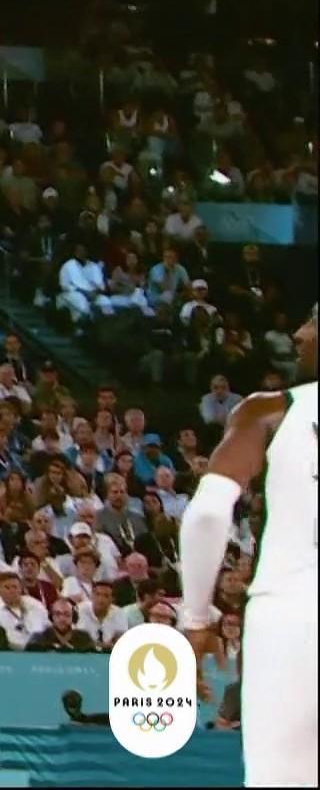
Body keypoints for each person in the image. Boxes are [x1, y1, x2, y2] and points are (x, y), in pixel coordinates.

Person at [181, 305, 317, 788]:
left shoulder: (270, 409)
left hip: (290, 613)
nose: (299, 334)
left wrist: (196, 618)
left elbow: (209, 513)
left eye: (315, 322)